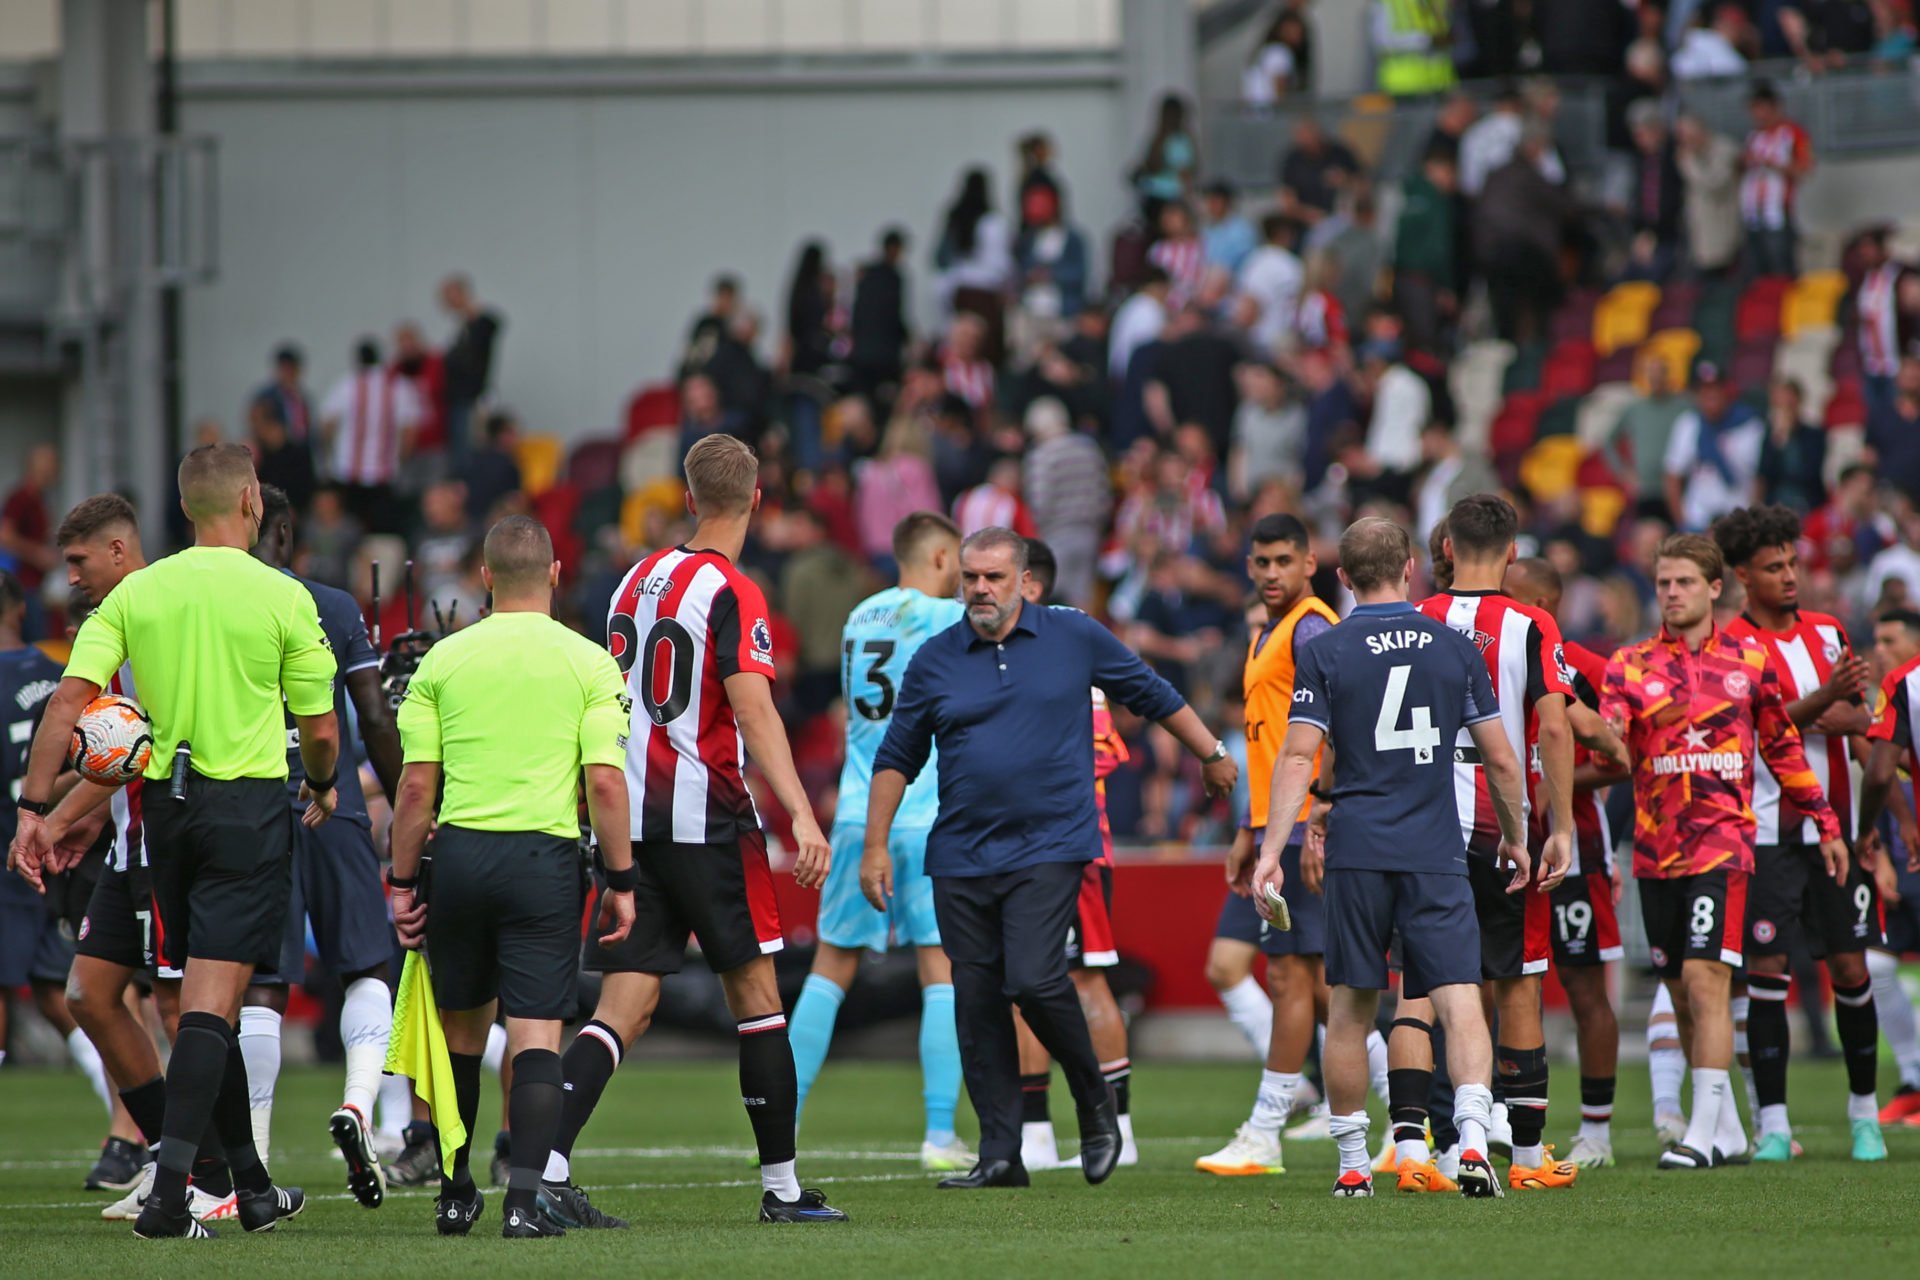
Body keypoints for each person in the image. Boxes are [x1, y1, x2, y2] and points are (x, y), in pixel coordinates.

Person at [11, 443, 339, 1239]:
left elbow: (67, 708)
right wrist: (323, 782)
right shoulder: (282, 595)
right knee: (206, 1004)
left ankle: (251, 1191)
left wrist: (32, 808)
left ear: (188, 509)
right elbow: (322, 730)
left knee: (195, 998)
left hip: (167, 814)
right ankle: (171, 1197)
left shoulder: (135, 597)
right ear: (251, 500)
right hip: (247, 809)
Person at [865, 527, 1236, 1189]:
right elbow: (896, 756)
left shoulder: (1074, 635)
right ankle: (1001, 1153)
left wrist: (1211, 754)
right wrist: (873, 846)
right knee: (976, 1001)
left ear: (1022, 579)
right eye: (970, 577)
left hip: (1051, 847)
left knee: (1035, 980)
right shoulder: (934, 658)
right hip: (960, 854)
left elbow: (1150, 693)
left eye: (993, 578)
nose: (979, 588)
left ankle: (1095, 1103)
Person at [544, 435, 846, 1227]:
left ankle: (545, 1166)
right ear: (756, 500)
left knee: (622, 1007)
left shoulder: (628, 583)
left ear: (685, 498)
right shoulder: (734, 590)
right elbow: (752, 707)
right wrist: (803, 813)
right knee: (756, 998)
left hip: (630, 823)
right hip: (706, 818)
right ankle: (781, 1191)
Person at [1250, 516, 1517, 1199]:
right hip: (1434, 849)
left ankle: (1351, 1166)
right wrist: (1516, 836)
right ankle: (1473, 1146)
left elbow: (1301, 754)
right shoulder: (1455, 648)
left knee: (1350, 1006)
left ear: (1340, 576)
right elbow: (1499, 757)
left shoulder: (1327, 650)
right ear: (1412, 570)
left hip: (1358, 850)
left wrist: (1273, 851)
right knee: (1459, 1000)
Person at [388, 515, 636, 1238]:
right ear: (556, 574)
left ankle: (456, 1190)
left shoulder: (443, 661)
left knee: (462, 1035)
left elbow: (413, 790)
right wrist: (621, 878)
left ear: (486, 578)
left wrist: (403, 884)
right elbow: (607, 786)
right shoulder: (590, 663)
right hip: (544, 859)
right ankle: (524, 1203)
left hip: (461, 857)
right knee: (535, 1036)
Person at [1600, 533, 1845, 1169]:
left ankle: (1702, 1134)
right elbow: (1613, 755)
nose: (1672, 593)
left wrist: (1826, 822)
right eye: (1663, 582)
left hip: (1723, 845)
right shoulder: (1628, 665)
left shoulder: (1750, 660)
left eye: (1684, 582)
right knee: (1681, 991)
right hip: (1654, 852)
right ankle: (1730, 1126)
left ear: (1714, 588)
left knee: (1707, 982)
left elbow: (1783, 748)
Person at [37, 497, 228, 1221]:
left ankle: (212, 1176)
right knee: (89, 994)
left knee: (180, 1007)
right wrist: (78, 821)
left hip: (166, 842)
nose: (72, 577)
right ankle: (175, 1159)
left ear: (119, 552)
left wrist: (49, 819)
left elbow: (135, 758)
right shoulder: (107, 626)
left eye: (81, 562)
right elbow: (113, 756)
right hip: (126, 841)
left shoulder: (158, 619)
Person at [1396, 495, 1581, 1194]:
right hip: (1500, 822)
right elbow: (1555, 728)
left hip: (1419, 823)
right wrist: (1558, 826)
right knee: (1518, 984)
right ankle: (1529, 1158)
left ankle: (1422, 1151)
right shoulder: (1530, 623)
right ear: (1511, 552)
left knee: (1420, 988)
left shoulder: (1413, 621)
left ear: (1444, 549)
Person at [238, 484, 406, 1204]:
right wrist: (406, 806)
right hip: (327, 794)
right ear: (289, 530)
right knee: (369, 963)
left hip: (247, 799)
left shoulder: (221, 605)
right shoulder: (334, 606)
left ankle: (258, 1159)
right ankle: (360, 1105)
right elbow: (371, 716)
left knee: (263, 985)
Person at [787, 513, 968, 1169]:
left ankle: (784, 1126)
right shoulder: (949, 619)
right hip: (927, 814)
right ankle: (940, 1135)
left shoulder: (860, 618)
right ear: (943, 555)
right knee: (940, 971)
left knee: (830, 967)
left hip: (861, 813)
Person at [1712, 505, 1887, 1162]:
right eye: (1774, 567)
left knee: (1850, 966)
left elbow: (1858, 717)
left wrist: (1801, 713)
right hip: (1762, 832)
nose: (1790, 577)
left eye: (1792, 564)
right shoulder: (1731, 646)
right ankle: (1776, 1124)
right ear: (1743, 577)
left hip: (1834, 828)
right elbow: (1751, 727)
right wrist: (1817, 707)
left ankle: (1864, 1115)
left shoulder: (1828, 631)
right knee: (1768, 972)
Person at [1195, 515, 1355, 1178]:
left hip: (1301, 827)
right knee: (1316, 986)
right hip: (1273, 827)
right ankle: (1409, 1120)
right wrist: (1247, 829)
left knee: (1299, 980)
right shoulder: (1269, 631)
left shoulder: (1313, 626)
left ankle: (1266, 1131)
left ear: (1310, 562)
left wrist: (1319, 811)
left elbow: (1345, 725)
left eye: (1283, 561)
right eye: (1260, 562)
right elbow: (1267, 743)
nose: (1269, 574)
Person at [1012, 542, 1146, 1173]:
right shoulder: (1033, 650)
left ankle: (1114, 1126)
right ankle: (1038, 1132)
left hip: (1072, 849)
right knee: (1028, 985)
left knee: (1083, 978)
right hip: (1039, 848)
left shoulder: (1059, 648)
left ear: (1027, 581)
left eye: (995, 577)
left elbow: (1102, 751)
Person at [1505, 557, 1630, 1168]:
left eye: (1516, 598)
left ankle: (1598, 1132)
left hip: (1574, 843)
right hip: (1506, 845)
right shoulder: (1489, 650)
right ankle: (1502, 1120)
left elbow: (1621, 753)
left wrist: (1551, 784)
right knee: (1495, 983)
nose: (1502, 606)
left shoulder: (1584, 668)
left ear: (1545, 608)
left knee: (1584, 987)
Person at [0, 569, 121, 1156]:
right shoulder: (63, 678)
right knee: (61, 989)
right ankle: (128, 1124)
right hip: (64, 850)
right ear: (20, 610)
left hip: (15, 848)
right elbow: (108, 751)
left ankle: (133, 1131)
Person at [1860, 608, 1920, 1125]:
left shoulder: (1908, 689)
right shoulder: (1878, 700)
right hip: (1897, 856)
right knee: (1876, 964)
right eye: (1875, 639)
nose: (1878, 648)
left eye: (1889, 639)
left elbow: (1880, 772)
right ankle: (1913, 1076)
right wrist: (1877, 852)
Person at [319, 337, 425, 535]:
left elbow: (326, 426)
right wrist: (400, 460)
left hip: (348, 471)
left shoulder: (347, 384)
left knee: (351, 528)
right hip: (383, 472)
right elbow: (409, 432)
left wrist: (332, 456)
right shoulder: (398, 387)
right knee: (380, 531)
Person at [1022, 398, 1111, 609]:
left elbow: (1039, 501)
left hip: (1057, 534)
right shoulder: (1089, 447)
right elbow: (1104, 492)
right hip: (1090, 532)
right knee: (1083, 600)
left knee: (1050, 597)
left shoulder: (1042, 455)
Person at [1664, 361, 1764, 531]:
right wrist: (1682, 522)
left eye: (1715, 388)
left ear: (1726, 390)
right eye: (1704, 390)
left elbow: (1760, 478)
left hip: (1738, 518)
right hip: (1698, 518)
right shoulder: (1690, 424)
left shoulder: (1749, 425)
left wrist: (1752, 521)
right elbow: (1673, 475)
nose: (1709, 395)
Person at [1740, 83, 1814, 277]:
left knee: (1781, 268)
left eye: (1760, 108)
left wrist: (1772, 165)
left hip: (1780, 213)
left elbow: (1805, 168)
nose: (1757, 115)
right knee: (1757, 270)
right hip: (1754, 215)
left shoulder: (1792, 134)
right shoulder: (1754, 137)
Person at [440, 273, 503, 464]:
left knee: (468, 449)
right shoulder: (463, 328)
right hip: (459, 397)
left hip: (470, 396)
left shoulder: (478, 324)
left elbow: (492, 325)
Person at [1675, 113, 1744, 277]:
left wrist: (1688, 164)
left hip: (1723, 232)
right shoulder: (1692, 155)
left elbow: (1715, 185)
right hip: (1700, 235)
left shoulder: (1724, 150)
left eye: (1688, 136)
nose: (1686, 142)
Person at [0, 444, 57, 640]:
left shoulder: (40, 500)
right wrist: (37, 554)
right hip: (21, 586)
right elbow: (5, 535)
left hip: (35, 586)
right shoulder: (20, 498)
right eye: (48, 463)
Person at [851, 228, 911, 395]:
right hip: (884, 353)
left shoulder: (867, 275)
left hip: (863, 352)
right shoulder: (893, 278)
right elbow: (893, 316)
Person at [1131, 93, 1198, 227]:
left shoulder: (1157, 140)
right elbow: (1184, 174)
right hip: (1169, 197)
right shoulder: (1180, 141)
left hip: (1151, 197)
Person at [1371, 0, 1457, 97]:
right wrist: (1427, 40)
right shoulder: (1387, 2)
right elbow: (1382, 41)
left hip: (1442, 82)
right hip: (1404, 85)